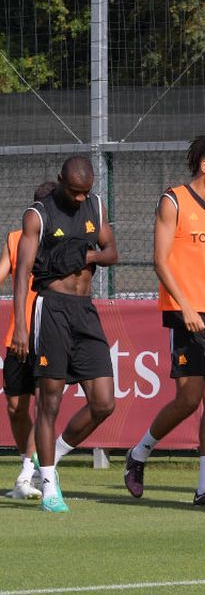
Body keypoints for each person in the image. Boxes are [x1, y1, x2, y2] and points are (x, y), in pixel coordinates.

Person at [124, 136, 205, 507]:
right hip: (187, 314)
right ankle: (139, 453)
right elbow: (160, 261)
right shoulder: (173, 200)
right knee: (189, 399)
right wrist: (185, 306)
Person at [12, 157, 119, 513]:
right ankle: (48, 486)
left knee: (104, 402)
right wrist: (21, 326)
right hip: (52, 308)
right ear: (60, 181)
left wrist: (85, 255)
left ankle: (51, 458)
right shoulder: (38, 215)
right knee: (50, 402)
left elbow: (111, 252)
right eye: (74, 192)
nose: (80, 198)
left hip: (84, 310)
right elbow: (22, 273)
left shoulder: (95, 206)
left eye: (85, 192)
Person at [2, 181, 55, 500]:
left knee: (43, 403)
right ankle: (31, 466)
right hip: (18, 336)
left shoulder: (63, 241)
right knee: (15, 407)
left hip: (49, 333)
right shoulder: (16, 238)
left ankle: (27, 473)